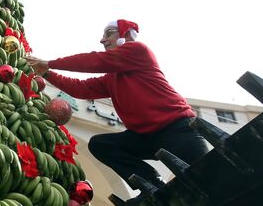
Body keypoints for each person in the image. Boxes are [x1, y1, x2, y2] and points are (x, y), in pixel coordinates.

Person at [26, 19, 209, 190]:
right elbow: (81, 89)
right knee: (101, 144)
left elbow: (94, 61)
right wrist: (47, 73)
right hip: (145, 138)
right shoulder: (111, 78)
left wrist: (50, 63)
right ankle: (153, 185)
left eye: (109, 33)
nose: (102, 40)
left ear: (126, 35)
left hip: (177, 130)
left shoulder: (138, 50)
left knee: (211, 179)